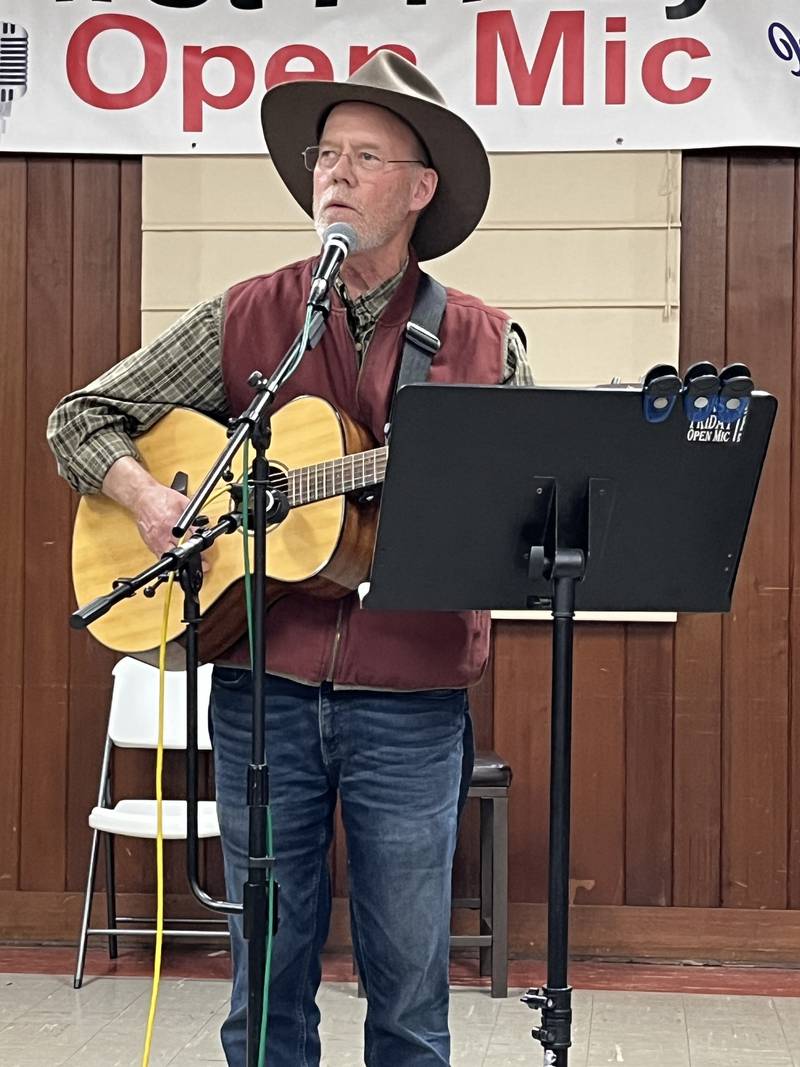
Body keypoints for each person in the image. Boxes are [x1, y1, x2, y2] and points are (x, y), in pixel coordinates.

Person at [48, 51, 532, 1067]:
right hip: (260, 687)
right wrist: (147, 494)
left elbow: (522, 502)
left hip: (408, 698)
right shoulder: (250, 312)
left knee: (406, 994)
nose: (335, 174)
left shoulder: (485, 340)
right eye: (326, 155)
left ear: (419, 186)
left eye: (365, 155)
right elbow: (80, 418)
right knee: (264, 989)